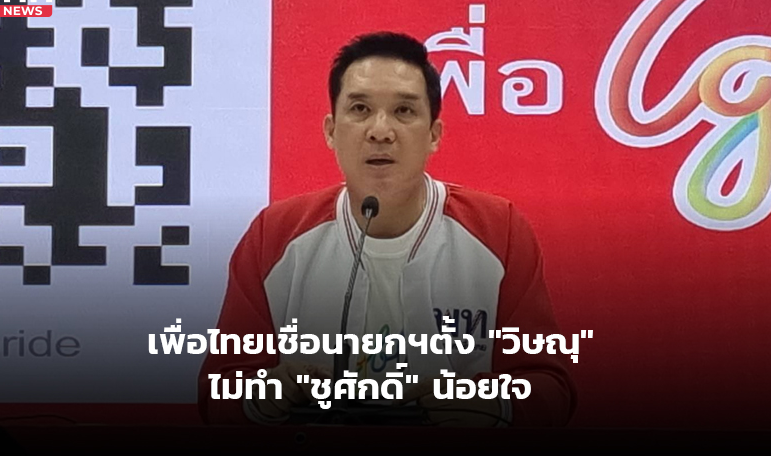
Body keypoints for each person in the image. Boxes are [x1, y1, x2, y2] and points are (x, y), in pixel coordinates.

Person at [198, 32, 575, 426]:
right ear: (330, 131)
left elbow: (552, 389)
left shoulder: (499, 230)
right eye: (360, 109)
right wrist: (261, 395)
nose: (380, 131)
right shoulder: (274, 235)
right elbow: (218, 392)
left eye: (404, 110)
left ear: (434, 135)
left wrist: (497, 404)